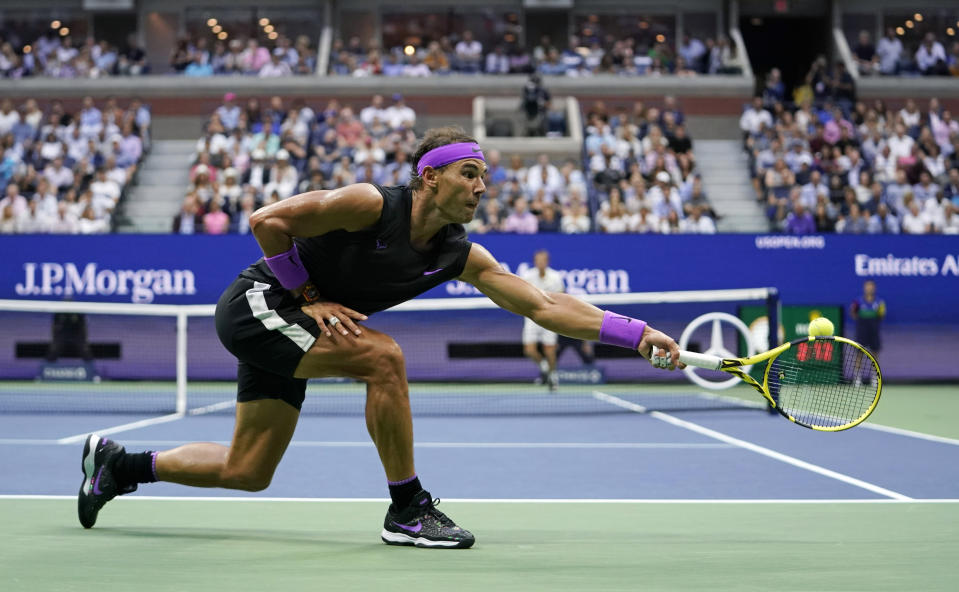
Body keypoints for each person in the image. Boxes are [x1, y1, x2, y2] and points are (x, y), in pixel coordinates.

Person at [76, 126, 683, 549]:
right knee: (385, 358)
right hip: (261, 305)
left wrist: (636, 335)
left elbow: (546, 304)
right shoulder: (371, 204)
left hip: (302, 331)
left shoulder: (459, 255)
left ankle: (118, 466)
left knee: (248, 469)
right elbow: (268, 221)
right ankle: (408, 508)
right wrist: (311, 298)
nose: (480, 187)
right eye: (469, 174)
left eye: (484, 179)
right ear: (430, 177)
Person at [520, 250, 565, 391]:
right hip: (531, 317)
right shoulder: (527, 276)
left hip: (550, 318)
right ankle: (544, 367)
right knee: (529, 350)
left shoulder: (555, 277)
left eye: (543, 260)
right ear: (535, 261)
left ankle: (553, 376)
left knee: (550, 350)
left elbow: (561, 297)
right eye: (538, 260)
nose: (540, 262)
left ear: (547, 261)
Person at [850, 280, 885, 385]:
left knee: (875, 354)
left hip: (874, 331)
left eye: (871, 286)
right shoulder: (858, 301)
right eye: (867, 286)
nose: (869, 288)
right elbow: (853, 312)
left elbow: (881, 315)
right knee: (859, 354)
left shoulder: (879, 302)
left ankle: (875, 377)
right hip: (862, 331)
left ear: (874, 288)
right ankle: (857, 378)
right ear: (864, 288)